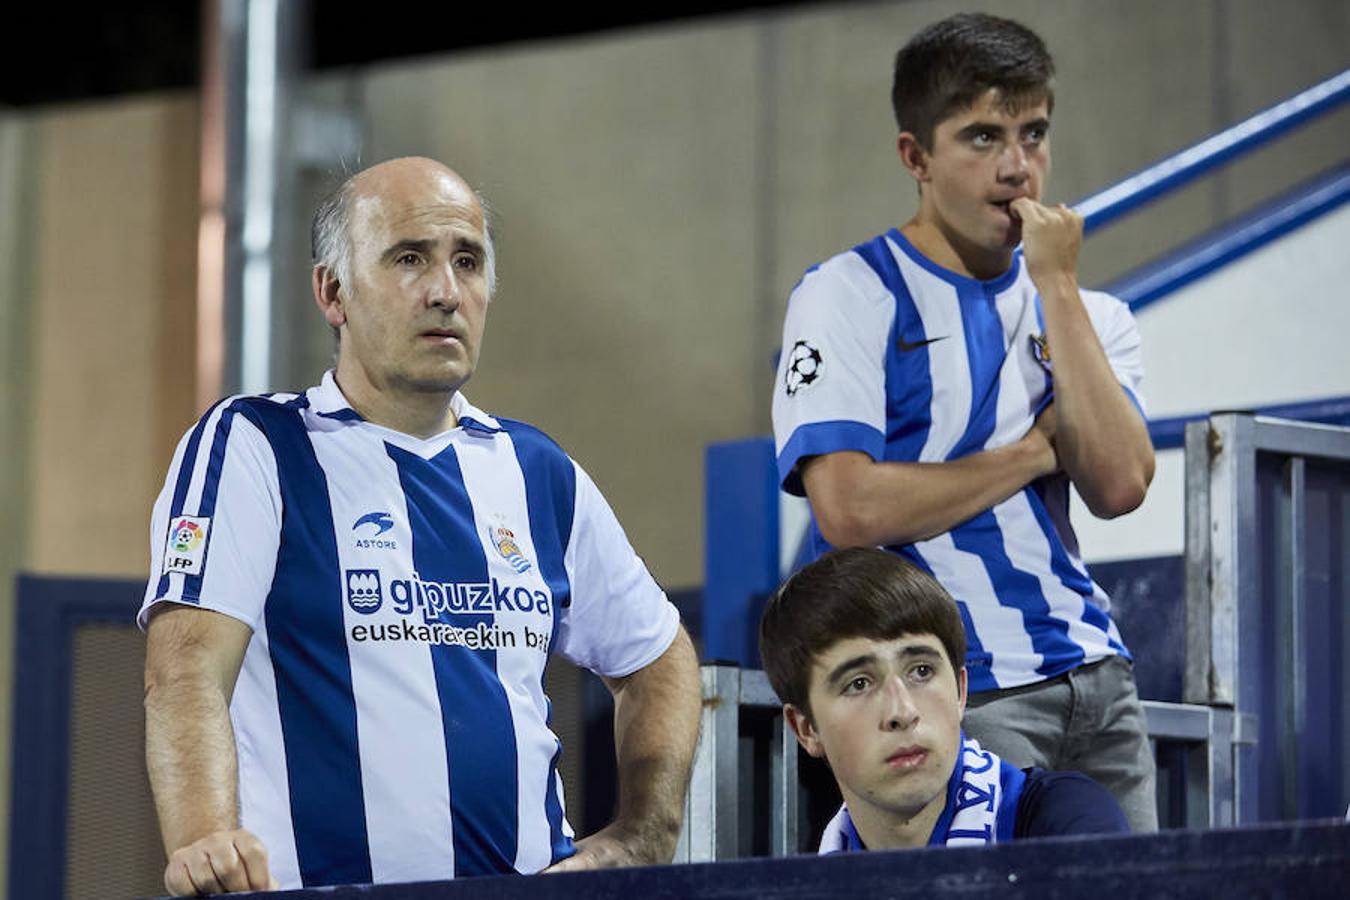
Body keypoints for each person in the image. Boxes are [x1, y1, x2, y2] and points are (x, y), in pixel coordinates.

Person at [140, 157, 702, 895]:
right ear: (331, 291)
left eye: (467, 262)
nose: (445, 292)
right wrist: (205, 837)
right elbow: (185, 665)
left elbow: (659, 659)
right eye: (410, 259)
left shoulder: (536, 470)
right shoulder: (256, 444)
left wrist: (646, 834)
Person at [770, 13, 1158, 832]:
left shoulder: (1092, 313)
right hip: (955, 693)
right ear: (915, 156)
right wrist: (1030, 453)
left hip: (1100, 678)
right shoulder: (845, 294)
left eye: (1033, 134)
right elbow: (850, 510)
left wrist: (1055, 289)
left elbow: (1120, 483)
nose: (1017, 168)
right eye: (982, 137)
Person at [760, 547, 1129, 851]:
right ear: (806, 729)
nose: (902, 712)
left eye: (921, 671)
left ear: (960, 690)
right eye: (858, 683)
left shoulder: (1064, 818)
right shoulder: (813, 883)